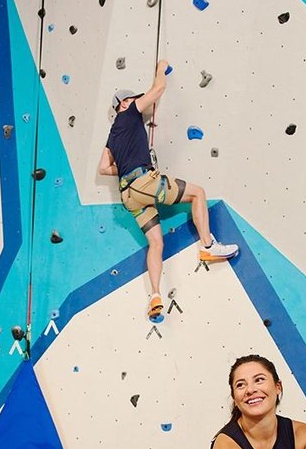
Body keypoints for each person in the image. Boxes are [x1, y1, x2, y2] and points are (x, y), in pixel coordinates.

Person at [99, 59, 239, 322]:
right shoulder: (129, 114)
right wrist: (161, 69)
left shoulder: (112, 135)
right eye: (134, 100)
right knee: (198, 193)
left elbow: (104, 169)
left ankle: (155, 295)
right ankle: (208, 246)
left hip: (128, 194)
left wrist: (128, 165)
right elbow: (158, 90)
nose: (138, 102)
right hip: (142, 182)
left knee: (156, 242)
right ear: (125, 103)